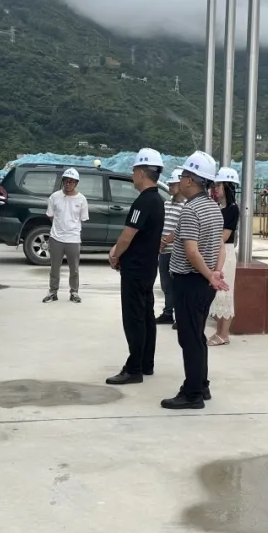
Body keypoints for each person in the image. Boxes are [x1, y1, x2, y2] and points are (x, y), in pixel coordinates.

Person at [163, 151, 228, 410]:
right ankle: (201, 385)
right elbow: (220, 247)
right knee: (197, 336)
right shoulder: (213, 208)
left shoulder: (190, 210)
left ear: (191, 180)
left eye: (183, 176)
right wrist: (215, 272)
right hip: (204, 283)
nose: (179, 181)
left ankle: (192, 394)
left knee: (189, 339)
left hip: (190, 282)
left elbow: (191, 252)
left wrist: (210, 274)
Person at [106, 149, 167, 385]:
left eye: (134, 171)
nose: (132, 175)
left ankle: (134, 369)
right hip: (148, 266)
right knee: (146, 315)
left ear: (141, 173)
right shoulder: (158, 200)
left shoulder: (143, 201)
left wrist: (115, 255)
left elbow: (127, 235)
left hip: (136, 269)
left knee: (134, 318)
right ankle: (146, 362)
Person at [44, 168, 89, 304]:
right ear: (62, 181)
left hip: (73, 239)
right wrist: (59, 227)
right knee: (54, 267)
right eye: (66, 181)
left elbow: (82, 218)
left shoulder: (81, 199)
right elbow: (51, 215)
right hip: (56, 238)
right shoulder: (54, 197)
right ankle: (53, 292)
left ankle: (74, 292)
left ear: (76, 183)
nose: (68, 184)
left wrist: (71, 228)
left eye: (71, 181)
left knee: (74, 268)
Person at [207, 167, 240, 346]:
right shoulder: (217, 207)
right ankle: (219, 331)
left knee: (225, 292)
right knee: (217, 293)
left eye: (219, 185)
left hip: (225, 252)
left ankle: (224, 334)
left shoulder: (233, 209)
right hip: (216, 251)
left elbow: (225, 235)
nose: (216, 189)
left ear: (228, 187)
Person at [157, 168, 184, 327]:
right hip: (163, 251)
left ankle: (180, 316)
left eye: (173, 184)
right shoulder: (166, 204)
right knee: (166, 284)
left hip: (176, 252)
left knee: (177, 286)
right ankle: (168, 312)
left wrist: (166, 241)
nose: (170, 187)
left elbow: (181, 228)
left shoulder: (186, 206)